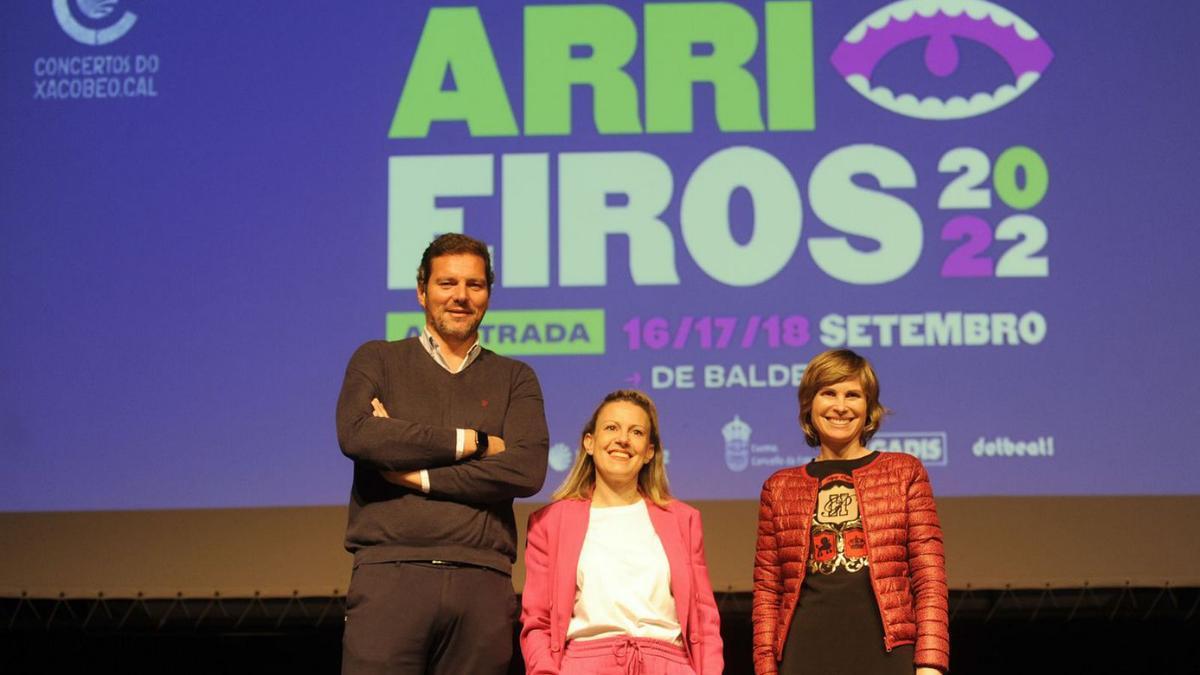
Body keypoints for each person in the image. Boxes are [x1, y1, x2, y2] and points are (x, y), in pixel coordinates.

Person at [335, 233, 549, 674]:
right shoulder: (377, 360)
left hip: (482, 583)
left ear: (488, 294)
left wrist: (420, 474)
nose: (461, 297)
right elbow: (358, 436)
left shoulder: (515, 378)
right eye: (447, 283)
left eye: (474, 285)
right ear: (421, 291)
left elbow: (526, 470)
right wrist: (474, 443)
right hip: (391, 573)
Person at [752, 349, 949, 675]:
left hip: (886, 652)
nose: (840, 406)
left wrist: (930, 664)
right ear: (809, 405)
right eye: (828, 393)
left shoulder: (904, 472)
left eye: (853, 395)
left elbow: (929, 580)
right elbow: (768, 592)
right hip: (804, 652)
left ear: (869, 407)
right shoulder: (780, 487)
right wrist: (766, 668)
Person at [520, 390, 724, 675]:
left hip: (668, 665)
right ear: (589, 442)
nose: (623, 439)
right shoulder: (550, 523)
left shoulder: (683, 520)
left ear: (649, 452)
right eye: (611, 428)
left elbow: (704, 619)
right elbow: (537, 622)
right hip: (584, 666)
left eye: (636, 432)